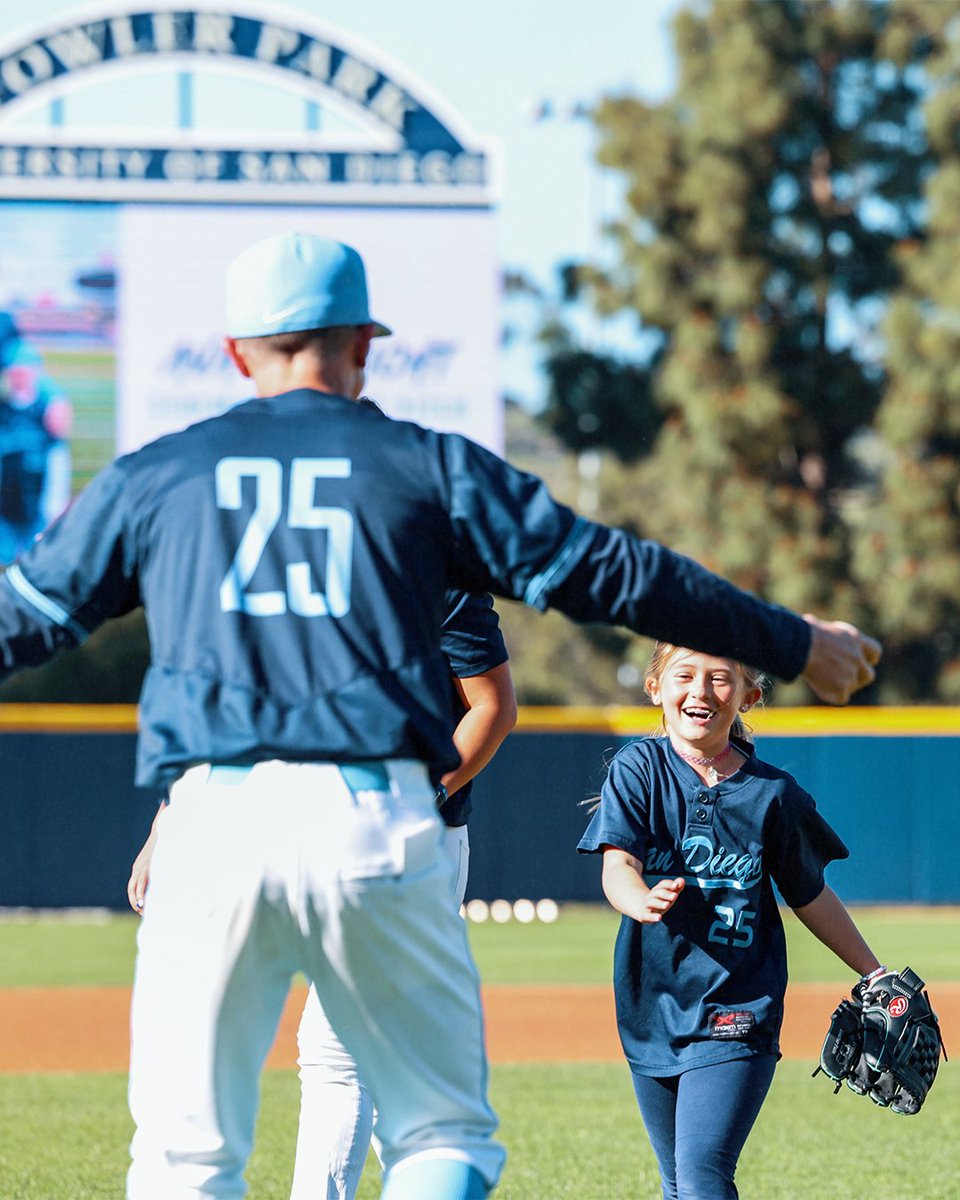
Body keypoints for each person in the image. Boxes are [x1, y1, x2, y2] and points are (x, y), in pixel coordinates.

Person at [0, 231, 880, 1200]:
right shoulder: (424, 469)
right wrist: (789, 641)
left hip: (208, 823)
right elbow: (616, 574)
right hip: (374, 818)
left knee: (185, 1158)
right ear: (364, 346)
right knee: (438, 1134)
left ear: (235, 353)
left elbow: (22, 622)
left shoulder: (154, 478)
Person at [126, 586, 517, 1200]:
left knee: (343, 1053)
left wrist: (418, 800)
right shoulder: (266, 561)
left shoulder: (431, 562)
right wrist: (167, 822)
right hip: (268, 816)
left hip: (396, 835)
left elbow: (491, 706)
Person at [577, 642, 884, 1200]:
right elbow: (617, 863)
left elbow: (810, 894)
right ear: (655, 688)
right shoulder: (638, 769)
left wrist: (873, 972)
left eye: (720, 678)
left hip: (740, 1004)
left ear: (749, 695)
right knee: (676, 1183)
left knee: (701, 1176)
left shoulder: (774, 794)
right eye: (685, 675)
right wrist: (636, 897)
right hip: (652, 1003)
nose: (701, 690)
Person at [0, 341, 72, 563]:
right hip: (6, 497)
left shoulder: (46, 403)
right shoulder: (5, 408)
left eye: (25, 371)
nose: (20, 377)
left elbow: (59, 428)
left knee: (36, 554)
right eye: (15, 371)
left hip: (36, 494)